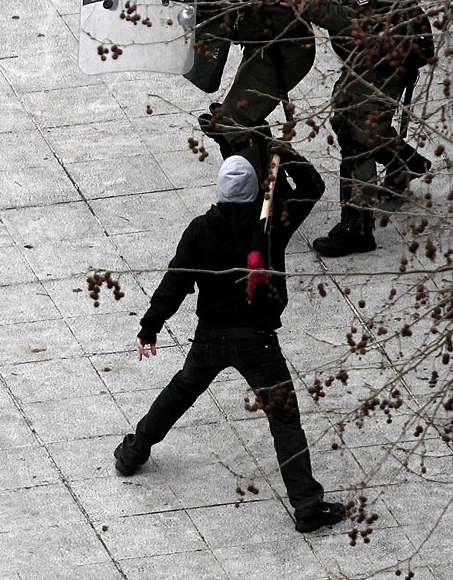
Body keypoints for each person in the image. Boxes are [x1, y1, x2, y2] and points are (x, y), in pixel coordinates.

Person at [113, 151, 346, 533]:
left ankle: (133, 453)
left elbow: (176, 283)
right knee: (284, 421)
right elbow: (312, 187)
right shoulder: (271, 227)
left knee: (182, 390)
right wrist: (282, 154)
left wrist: (150, 326)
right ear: (254, 192)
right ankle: (306, 505)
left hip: (211, 337)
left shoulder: (200, 230)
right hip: (259, 342)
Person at [301, 0, 434, 257]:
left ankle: (357, 227)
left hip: (387, 58)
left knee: (357, 129)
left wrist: (308, 4)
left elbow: (355, 22)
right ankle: (402, 162)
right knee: (347, 119)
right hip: (366, 60)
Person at [178, 0, 316, 177]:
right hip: (269, 43)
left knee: (232, 123)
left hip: (282, 51)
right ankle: (269, 168)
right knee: (234, 116)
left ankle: (256, 193)